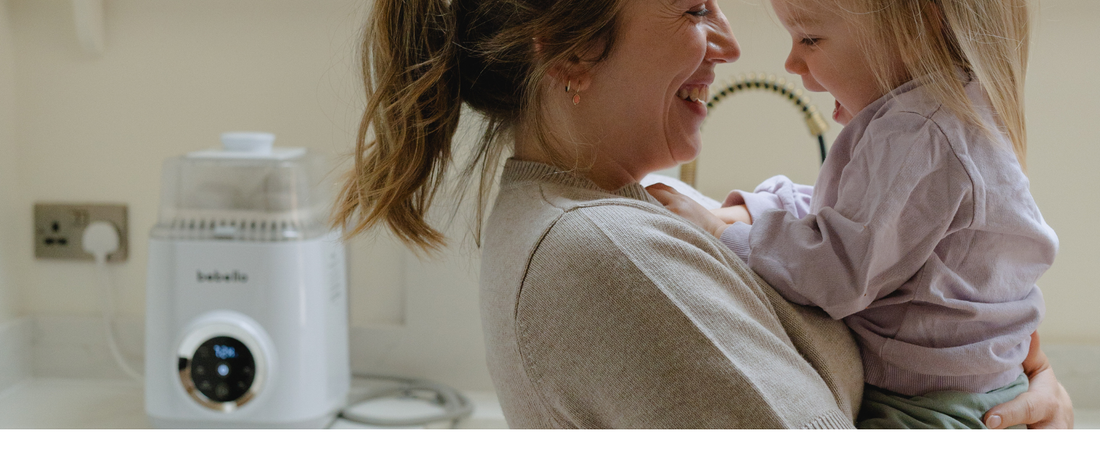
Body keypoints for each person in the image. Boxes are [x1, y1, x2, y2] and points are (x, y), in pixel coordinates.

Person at [332, 0, 1072, 428]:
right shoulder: (610, 259)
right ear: (569, 53)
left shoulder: (602, 214)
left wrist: (1022, 380)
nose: (734, 42)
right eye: (693, 6)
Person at [648, 0, 1062, 428]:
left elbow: (838, 270)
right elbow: (857, 218)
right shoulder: (948, 113)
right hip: (975, 391)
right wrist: (758, 210)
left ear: (915, 31)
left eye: (809, 38)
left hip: (928, 410)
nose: (791, 63)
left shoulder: (918, 132)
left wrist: (721, 231)